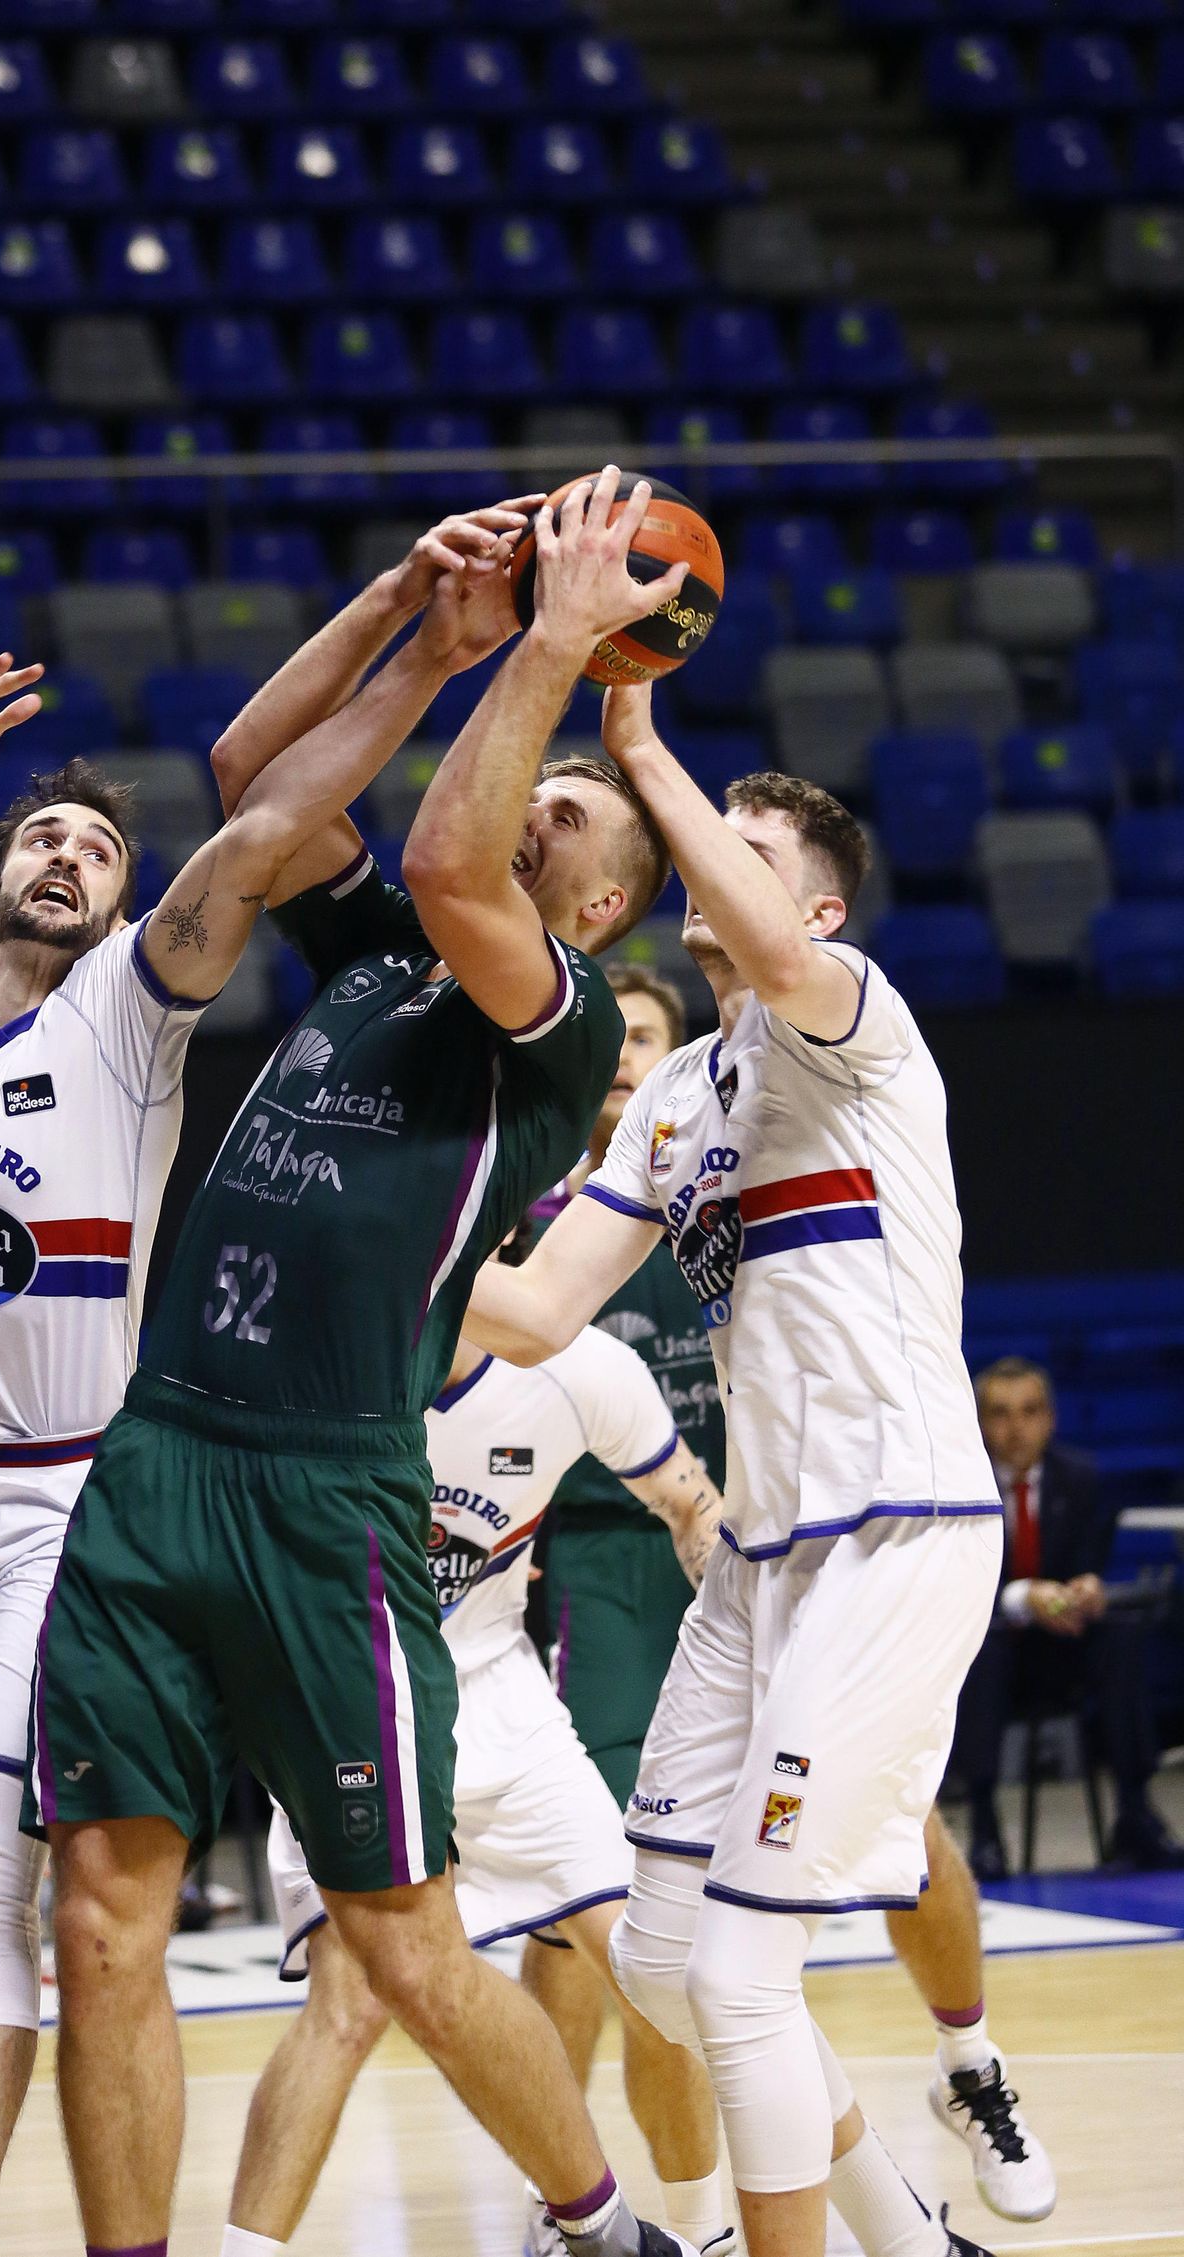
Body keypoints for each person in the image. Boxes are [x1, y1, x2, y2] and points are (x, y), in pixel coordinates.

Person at [0, 544, 519, 2257]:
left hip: (65, 1498)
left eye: (100, 849)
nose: (68, 853)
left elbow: (259, 841)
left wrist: (418, 663)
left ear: (123, 910)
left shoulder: (131, 1009)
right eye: (43, 834)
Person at [31, 473, 708, 2257]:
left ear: (612, 894)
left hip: (328, 1494)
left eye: (565, 797)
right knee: (100, 1919)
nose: (532, 791)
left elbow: (444, 854)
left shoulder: (548, 1027)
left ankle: (598, 2226)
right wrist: (417, 612)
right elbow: (257, 771)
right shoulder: (391, 952)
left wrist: (557, 644)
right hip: (161, 1448)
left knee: (399, 1934)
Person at [467, 666, 1007, 2257]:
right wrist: (358, 1263)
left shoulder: (856, 1020)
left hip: (897, 1530)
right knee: (662, 1960)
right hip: (761, 1562)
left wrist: (636, 738)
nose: (712, 873)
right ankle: (909, 2243)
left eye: (748, 853)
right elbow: (545, 1306)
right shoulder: (680, 1096)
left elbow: (766, 941)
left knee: (740, 1976)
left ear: (820, 910)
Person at [529, 974, 1058, 2231]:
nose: (624, 1062)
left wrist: (649, 768)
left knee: (844, 1885)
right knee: (653, 1951)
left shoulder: (821, 1080)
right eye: (613, 1047)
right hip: (691, 1559)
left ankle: (968, 2058)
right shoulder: (606, 1193)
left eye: (644, 1036)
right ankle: (841, 2222)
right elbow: (529, 1330)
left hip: (866, 1537)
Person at [228, 1317, 730, 2257]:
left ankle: (702, 2238)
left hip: (497, 1689)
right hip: (351, 1690)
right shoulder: (311, 1358)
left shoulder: (581, 1370)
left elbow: (689, 1502)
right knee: (349, 2001)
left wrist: (730, 1591)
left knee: (655, 1967)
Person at [953, 1356, 1183, 1879]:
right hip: (994, 1649)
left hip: (1062, 1647)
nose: (1016, 1428)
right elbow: (948, 1591)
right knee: (978, 1652)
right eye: (1001, 1413)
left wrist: (1086, 1589)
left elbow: (1085, 1562)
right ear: (979, 1421)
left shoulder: (1077, 1477)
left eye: (1030, 1411)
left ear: (1051, 1418)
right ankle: (985, 1830)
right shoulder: (958, 1483)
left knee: (1120, 1637)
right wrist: (1020, 1598)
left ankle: (1135, 1811)